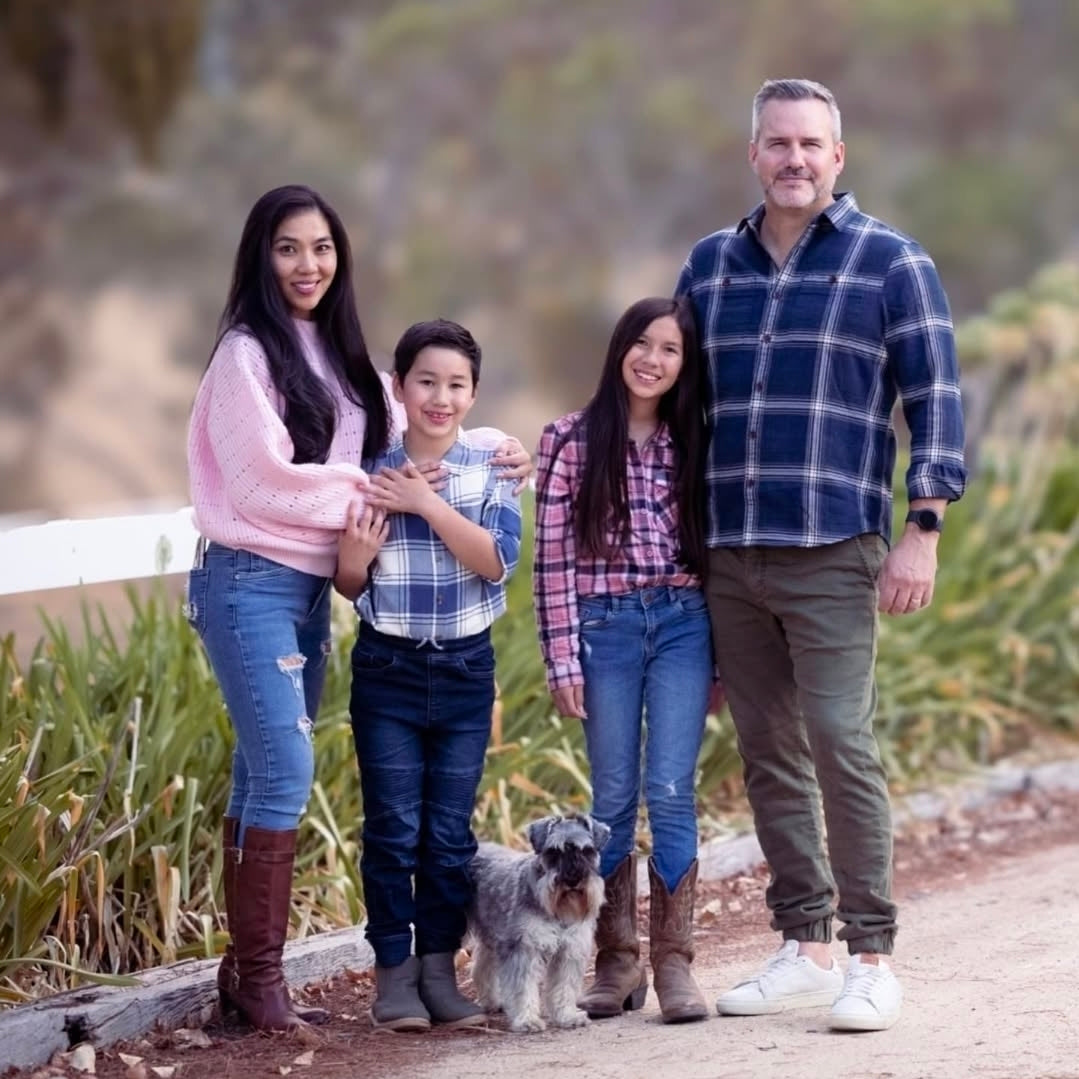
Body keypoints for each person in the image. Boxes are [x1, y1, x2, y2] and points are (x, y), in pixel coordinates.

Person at [185, 186, 530, 1033]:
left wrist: (490, 445)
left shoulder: (337, 354)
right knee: (287, 774)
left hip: (308, 591)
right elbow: (267, 477)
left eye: (322, 248)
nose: (308, 265)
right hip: (247, 580)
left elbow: (421, 412)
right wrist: (385, 491)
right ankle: (264, 982)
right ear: (260, 258)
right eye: (288, 248)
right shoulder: (243, 356)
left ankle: (242, 976)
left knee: (261, 771)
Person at [674, 78, 967, 1032]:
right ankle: (801, 944)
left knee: (841, 741)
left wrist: (920, 528)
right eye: (776, 143)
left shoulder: (892, 261)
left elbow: (935, 402)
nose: (793, 159)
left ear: (837, 157)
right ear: (752, 154)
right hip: (729, 550)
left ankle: (870, 954)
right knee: (766, 751)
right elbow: (669, 403)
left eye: (810, 144)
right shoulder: (709, 265)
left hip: (835, 546)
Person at [335, 318, 523, 1033]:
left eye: (456, 384)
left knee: (447, 834)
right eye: (426, 381)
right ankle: (394, 977)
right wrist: (354, 558)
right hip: (387, 667)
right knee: (391, 828)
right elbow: (351, 582)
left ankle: (441, 971)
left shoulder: (494, 469)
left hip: (466, 671)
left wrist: (424, 502)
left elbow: (496, 560)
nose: (440, 397)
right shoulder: (368, 471)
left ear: (473, 394)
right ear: (400, 387)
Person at [532, 296, 713, 1025]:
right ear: (617, 350)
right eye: (641, 344)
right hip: (604, 629)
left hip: (682, 624)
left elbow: (717, 553)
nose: (652, 360)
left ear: (682, 364)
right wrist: (560, 658)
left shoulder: (693, 441)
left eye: (669, 350)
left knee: (670, 788)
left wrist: (723, 660)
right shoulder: (568, 439)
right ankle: (615, 959)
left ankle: (673, 962)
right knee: (610, 799)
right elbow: (549, 561)